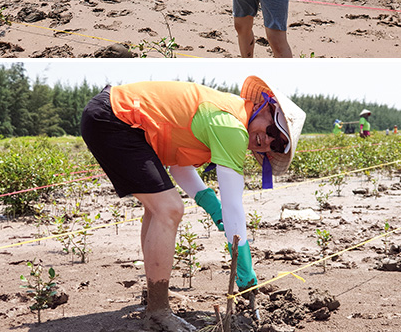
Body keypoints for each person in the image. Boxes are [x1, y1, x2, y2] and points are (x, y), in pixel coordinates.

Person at [80, 77, 305, 332]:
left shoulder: (229, 115)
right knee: (169, 208)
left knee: (157, 210)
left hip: (111, 114)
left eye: (278, 143)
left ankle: (154, 299)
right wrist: (244, 265)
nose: (267, 141)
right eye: (272, 130)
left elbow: (179, 165)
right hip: (116, 118)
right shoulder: (232, 127)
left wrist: (210, 204)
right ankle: (158, 312)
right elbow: (233, 206)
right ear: (266, 107)